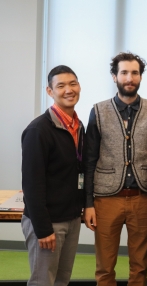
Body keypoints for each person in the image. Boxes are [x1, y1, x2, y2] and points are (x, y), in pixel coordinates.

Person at [83, 52, 147, 285]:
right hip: (107, 199)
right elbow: (89, 160)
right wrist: (88, 203)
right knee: (105, 268)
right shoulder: (98, 111)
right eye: (124, 72)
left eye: (135, 73)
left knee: (140, 267)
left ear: (140, 77)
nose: (130, 78)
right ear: (114, 76)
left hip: (143, 198)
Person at [21, 65, 84, 286]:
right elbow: (31, 184)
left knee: (61, 281)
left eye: (73, 83)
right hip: (48, 223)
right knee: (42, 282)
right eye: (61, 86)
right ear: (50, 91)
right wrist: (43, 228)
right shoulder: (38, 130)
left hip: (72, 219)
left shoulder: (78, 126)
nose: (68, 90)